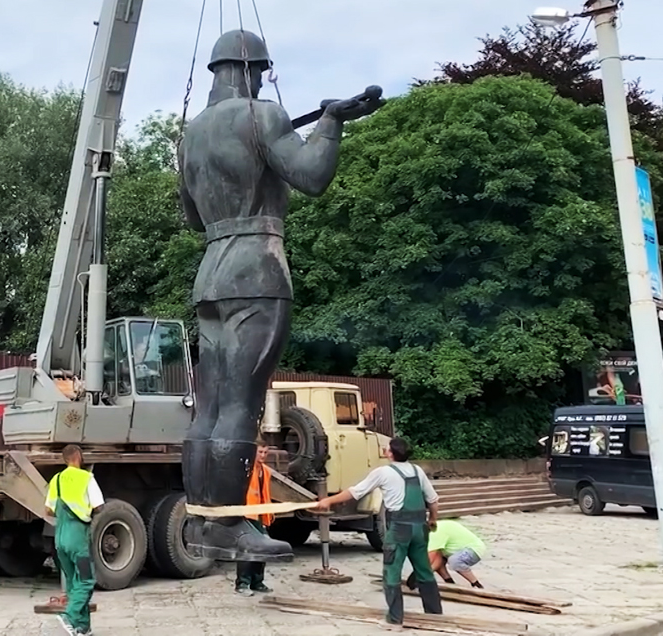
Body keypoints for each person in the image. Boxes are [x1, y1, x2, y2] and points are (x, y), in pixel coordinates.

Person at [179, 27, 384, 564]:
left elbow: (192, 216)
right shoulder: (262, 115)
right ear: (255, 69)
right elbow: (313, 176)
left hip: (211, 272)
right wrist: (332, 122)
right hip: (258, 269)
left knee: (210, 407)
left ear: (216, 69)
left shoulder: (189, 133)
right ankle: (227, 524)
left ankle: (203, 516)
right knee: (241, 408)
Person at [315, 437, 443, 625]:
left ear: (390, 453)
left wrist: (328, 501)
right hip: (419, 527)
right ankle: (434, 614)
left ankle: (395, 617)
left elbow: (356, 492)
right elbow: (433, 500)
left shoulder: (383, 472)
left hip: (399, 529)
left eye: (387, 447)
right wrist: (432, 519)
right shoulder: (418, 471)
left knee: (392, 571)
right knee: (424, 570)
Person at [45, 445, 104, 636]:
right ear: (78, 456)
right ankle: (69, 616)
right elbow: (99, 506)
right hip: (77, 538)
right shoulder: (86, 478)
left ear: (64, 459)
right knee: (86, 581)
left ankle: (83, 628)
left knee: (73, 583)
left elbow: (48, 510)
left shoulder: (57, 479)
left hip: (60, 539)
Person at [235, 441, 276, 596]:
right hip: (247, 514)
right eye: (260, 452)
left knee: (262, 548)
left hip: (260, 514)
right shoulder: (246, 470)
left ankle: (257, 582)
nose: (263, 456)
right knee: (248, 549)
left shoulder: (265, 471)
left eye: (265, 452)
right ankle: (242, 583)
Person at [407, 519, 487, 590]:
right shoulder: (432, 528)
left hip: (473, 550)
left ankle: (475, 583)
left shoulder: (434, 534)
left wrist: (417, 574)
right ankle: (449, 582)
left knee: (454, 561)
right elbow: (436, 561)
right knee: (438, 559)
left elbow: (429, 558)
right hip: (456, 550)